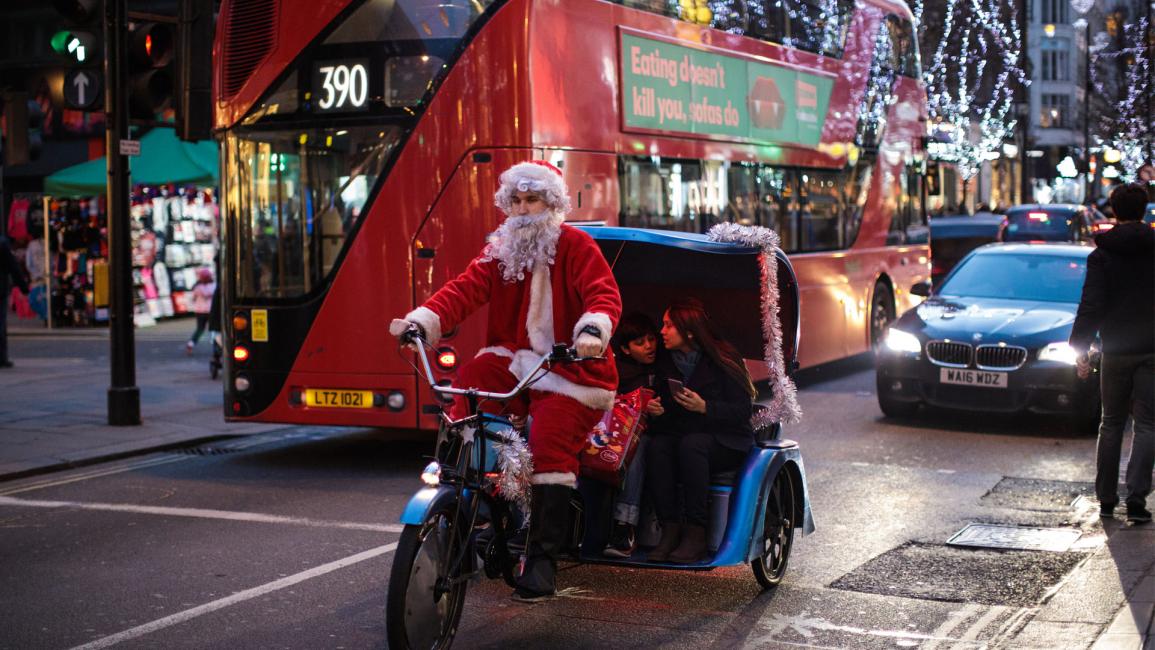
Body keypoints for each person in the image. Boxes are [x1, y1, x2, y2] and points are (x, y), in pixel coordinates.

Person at [389, 160, 621, 601]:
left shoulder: (576, 244)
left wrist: (592, 329)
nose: (523, 208)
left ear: (551, 203)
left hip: (571, 369)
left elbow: (603, 294)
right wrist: (425, 320)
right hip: (516, 362)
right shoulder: (501, 249)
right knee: (470, 391)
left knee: (550, 441)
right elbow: (464, 289)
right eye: (515, 200)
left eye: (532, 199)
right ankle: (469, 514)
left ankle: (541, 562)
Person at [645, 298, 756, 563]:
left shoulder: (724, 357)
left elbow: (742, 411)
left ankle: (697, 533)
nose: (662, 331)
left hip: (727, 439)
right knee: (659, 445)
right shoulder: (666, 361)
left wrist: (705, 407)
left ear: (690, 332)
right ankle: (669, 529)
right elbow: (668, 413)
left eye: (669, 325)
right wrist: (657, 411)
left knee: (693, 444)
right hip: (684, 433)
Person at [1070, 182, 1154, 525]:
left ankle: (1105, 498)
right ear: (1145, 209)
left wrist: (1081, 348)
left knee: (1111, 423)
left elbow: (1091, 305)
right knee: (1148, 425)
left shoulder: (1102, 255)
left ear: (1114, 211)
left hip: (1116, 349)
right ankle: (1137, 499)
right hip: (1152, 348)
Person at [602, 312, 671, 558]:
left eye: (651, 339)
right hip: (611, 432)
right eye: (640, 343)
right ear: (626, 349)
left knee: (638, 447)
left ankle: (624, 525)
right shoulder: (614, 372)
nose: (649, 346)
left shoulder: (665, 367)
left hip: (649, 434)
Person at [1, 235, 31, 368]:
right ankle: (1, 358)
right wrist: (23, 287)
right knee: (0, 325)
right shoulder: (2, 244)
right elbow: (13, 267)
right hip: (0, 290)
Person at [186, 268, 216, 355]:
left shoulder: (197, 287)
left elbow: (193, 299)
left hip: (200, 311)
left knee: (200, 329)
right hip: (211, 310)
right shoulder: (214, 286)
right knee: (214, 329)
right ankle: (217, 347)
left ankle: (191, 344)